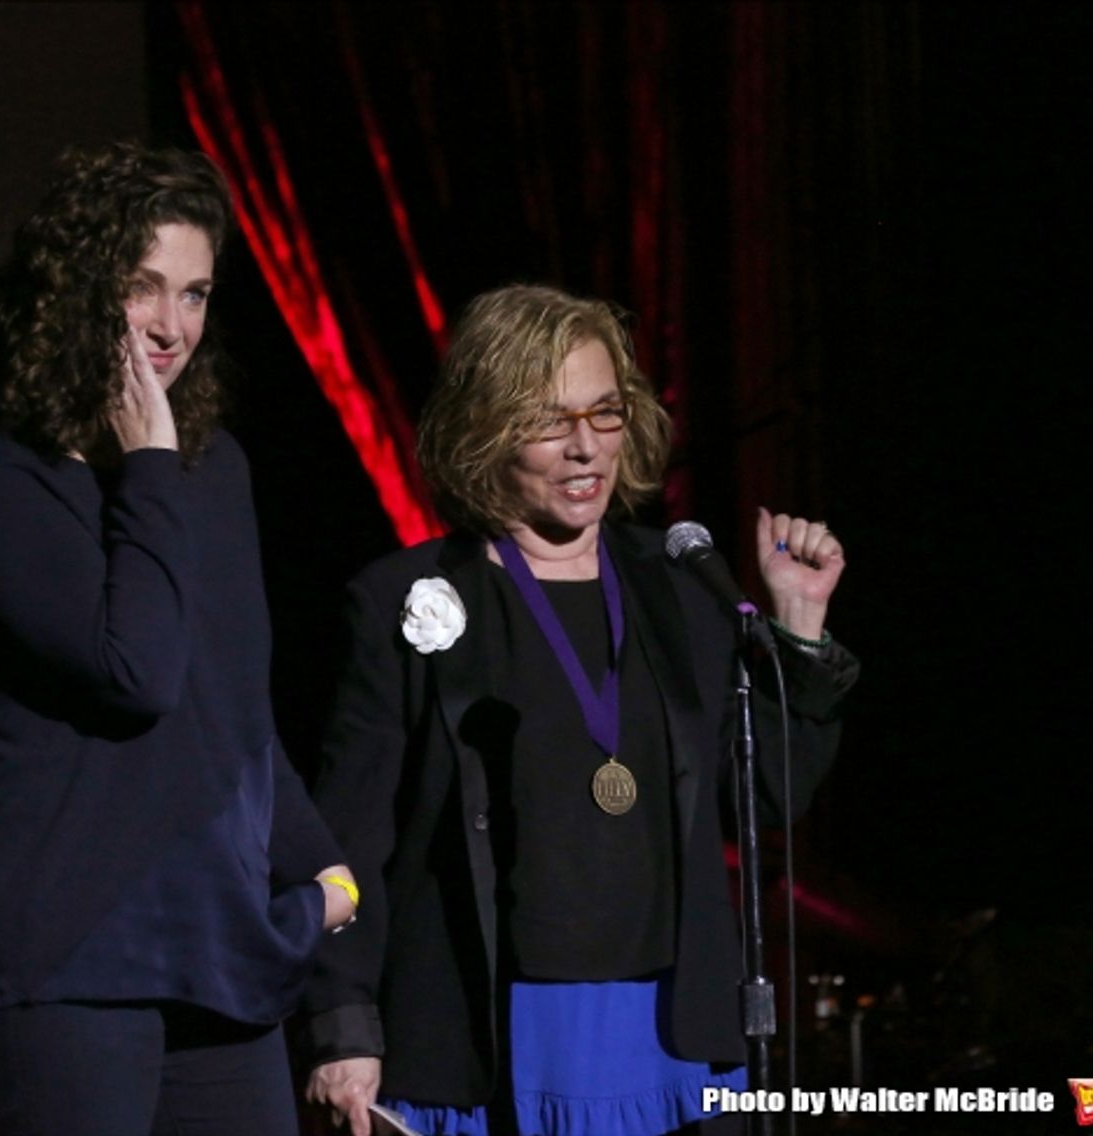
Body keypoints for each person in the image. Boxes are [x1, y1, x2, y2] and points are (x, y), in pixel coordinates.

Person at [298, 284, 859, 1136]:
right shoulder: (404, 601)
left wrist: (801, 626)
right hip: (488, 1034)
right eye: (550, 420)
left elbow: (765, 794)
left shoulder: (678, 587)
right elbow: (351, 836)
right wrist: (342, 1027)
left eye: (604, 413)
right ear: (485, 432)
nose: (585, 448)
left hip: (669, 1032)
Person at [0, 141, 359, 1136]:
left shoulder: (213, 473)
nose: (172, 324)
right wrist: (150, 461)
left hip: (215, 953)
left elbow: (234, 713)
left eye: (197, 293)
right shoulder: (4, 474)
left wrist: (324, 871)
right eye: (142, 287)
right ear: (78, 289)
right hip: (63, 957)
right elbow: (138, 673)